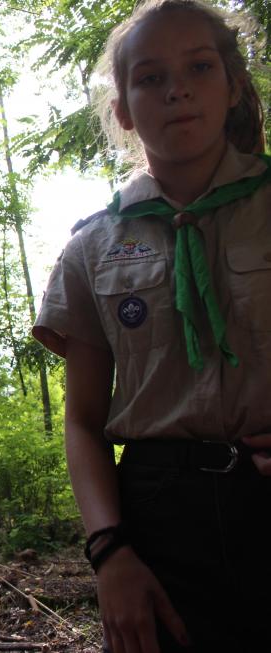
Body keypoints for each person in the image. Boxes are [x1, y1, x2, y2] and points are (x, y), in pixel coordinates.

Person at [32, 1, 271, 651]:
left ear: (233, 86)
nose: (177, 89)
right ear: (124, 111)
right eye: (150, 77)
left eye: (199, 67)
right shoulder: (92, 248)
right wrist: (110, 554)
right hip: (157, 522)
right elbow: (83, 421)